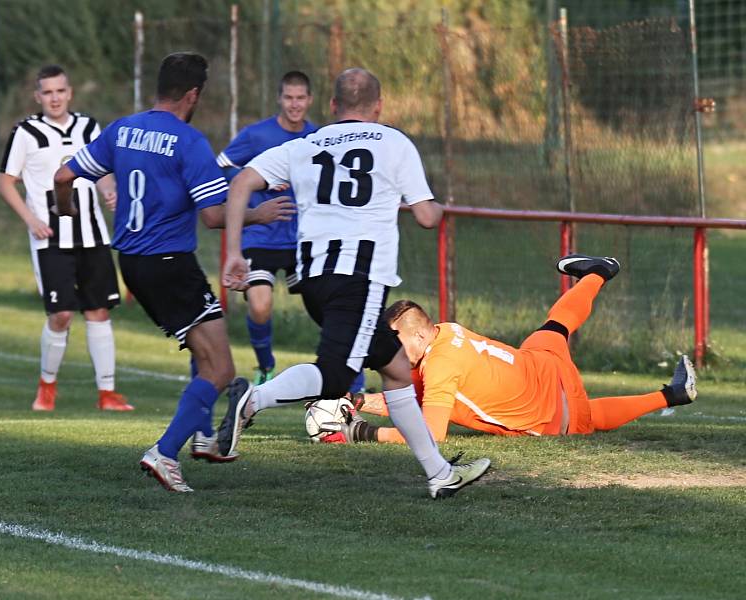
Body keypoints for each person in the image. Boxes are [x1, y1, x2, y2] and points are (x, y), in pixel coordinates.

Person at [219, 67, 492, 500]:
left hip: (311, 278)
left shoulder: (304, 144)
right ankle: (252, 400)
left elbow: (240, 184)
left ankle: (439, 473)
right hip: (358, 278)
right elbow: (425, 216)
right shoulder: (393, 141)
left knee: (397, 368)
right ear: (379, 107)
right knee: (335, 375)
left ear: (331, 107)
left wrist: (234, 250)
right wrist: (440, 207)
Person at [52, 52, 294, 493]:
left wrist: (64, 212)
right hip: (170, 265)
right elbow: (214, 217)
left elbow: (63, 175)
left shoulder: (123, 128)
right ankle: (165, 453)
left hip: (133, 264)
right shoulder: (189, 142)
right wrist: (261, 215)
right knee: (221, 368)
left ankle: (203, 438)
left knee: (206, 356)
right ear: (193, 94)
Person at [320, 254, 697, 443]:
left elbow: (432, 433)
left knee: (587, 418)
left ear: (419, 336)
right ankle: (599, 273)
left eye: (395, 342)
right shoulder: (446, 331)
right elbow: (419, 397)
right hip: (540, 365)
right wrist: (356, 400)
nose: (392, 353)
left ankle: (670, 395)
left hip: (552, 413)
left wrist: (362, 433)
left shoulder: (440, 366)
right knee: (554, 328)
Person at [215, 71, 366, 392]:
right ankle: (266, 366)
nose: (294, 104)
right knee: (259, 304)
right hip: (261, 235)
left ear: (310, 100)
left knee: (330, 308)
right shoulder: (256, 136)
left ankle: (355, 380)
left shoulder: (320, 137)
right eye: (288, 98)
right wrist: (259, 178)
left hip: (304, 240)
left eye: (300, 98)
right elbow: (222, 166)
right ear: (279, 99)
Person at [0, 64, 132, 412]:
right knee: (61, 315)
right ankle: (47, 387)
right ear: (38, 96)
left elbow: (100, 171)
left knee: (99, 310)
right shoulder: (26, 132)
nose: (55, 98)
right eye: (48, 92)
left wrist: (109, 191)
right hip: (52, 238)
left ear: (69, 93)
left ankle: (107, 393)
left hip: (93, 235)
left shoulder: (88, 126)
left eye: (60, 91)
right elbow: (5, 182)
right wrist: (31, 220)